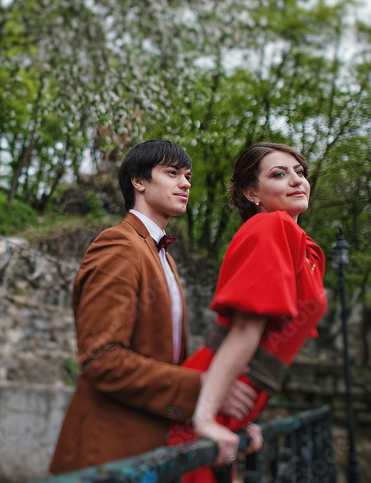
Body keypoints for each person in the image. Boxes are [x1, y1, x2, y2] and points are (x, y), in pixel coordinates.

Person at [49, 140, 259, 473]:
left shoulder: (164, 258)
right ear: (139, 181)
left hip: (153, 450)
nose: (186, 183)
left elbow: (168, 362)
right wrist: (202, 388)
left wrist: (219, 411)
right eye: (172, 173)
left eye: (188, 175)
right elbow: (100, 358)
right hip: (109, 452)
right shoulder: (118, 244)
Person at [167, 141, 328, 483]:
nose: (297, 180)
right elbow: (245, 330)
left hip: (237, 402)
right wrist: (206, 417)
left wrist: (244, 422)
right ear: (252, 192)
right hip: (214, 395)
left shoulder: (303, 245)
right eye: (279, 174)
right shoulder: (270, 227)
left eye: (300, 172)